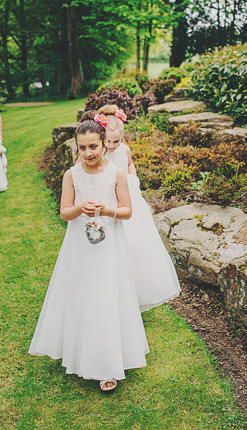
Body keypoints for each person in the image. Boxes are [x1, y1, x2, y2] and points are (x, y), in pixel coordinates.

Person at [29, 115, 146, 393]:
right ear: (77, 148)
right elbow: (64, 213)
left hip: (110, 246)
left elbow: (128, 211)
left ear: (104, 144)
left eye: (93, 146)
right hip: (80, 246)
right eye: (82, 148)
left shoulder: (116, 174)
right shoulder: (71, 175)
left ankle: (108, 363)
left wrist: (106, 211)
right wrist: (81, 208)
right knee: (84, 294)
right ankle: (80, 351)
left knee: (107, 295)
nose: (88, 153)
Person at [97, 105, 180, 311]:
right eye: (108, 141)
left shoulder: (124, 150)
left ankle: (136, 290)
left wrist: (133, 177)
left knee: (137, 245)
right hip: (112, 202)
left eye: (116, 140)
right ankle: (112, 291)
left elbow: (130, 164)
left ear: (122, 137)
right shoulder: (100, 154)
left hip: (131, 202)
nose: (113, 145)